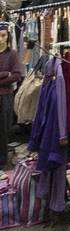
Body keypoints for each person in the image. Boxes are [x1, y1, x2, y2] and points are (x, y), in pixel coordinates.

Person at [0, 23, 20, 152]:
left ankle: (2, 160)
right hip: (5, 90)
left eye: (3, 35)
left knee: (4, 128)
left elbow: (17, 75)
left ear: (8, 36)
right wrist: (5, 74)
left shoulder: (12, 54)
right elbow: (11, 75)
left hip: (6, 96)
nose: (0, 39)